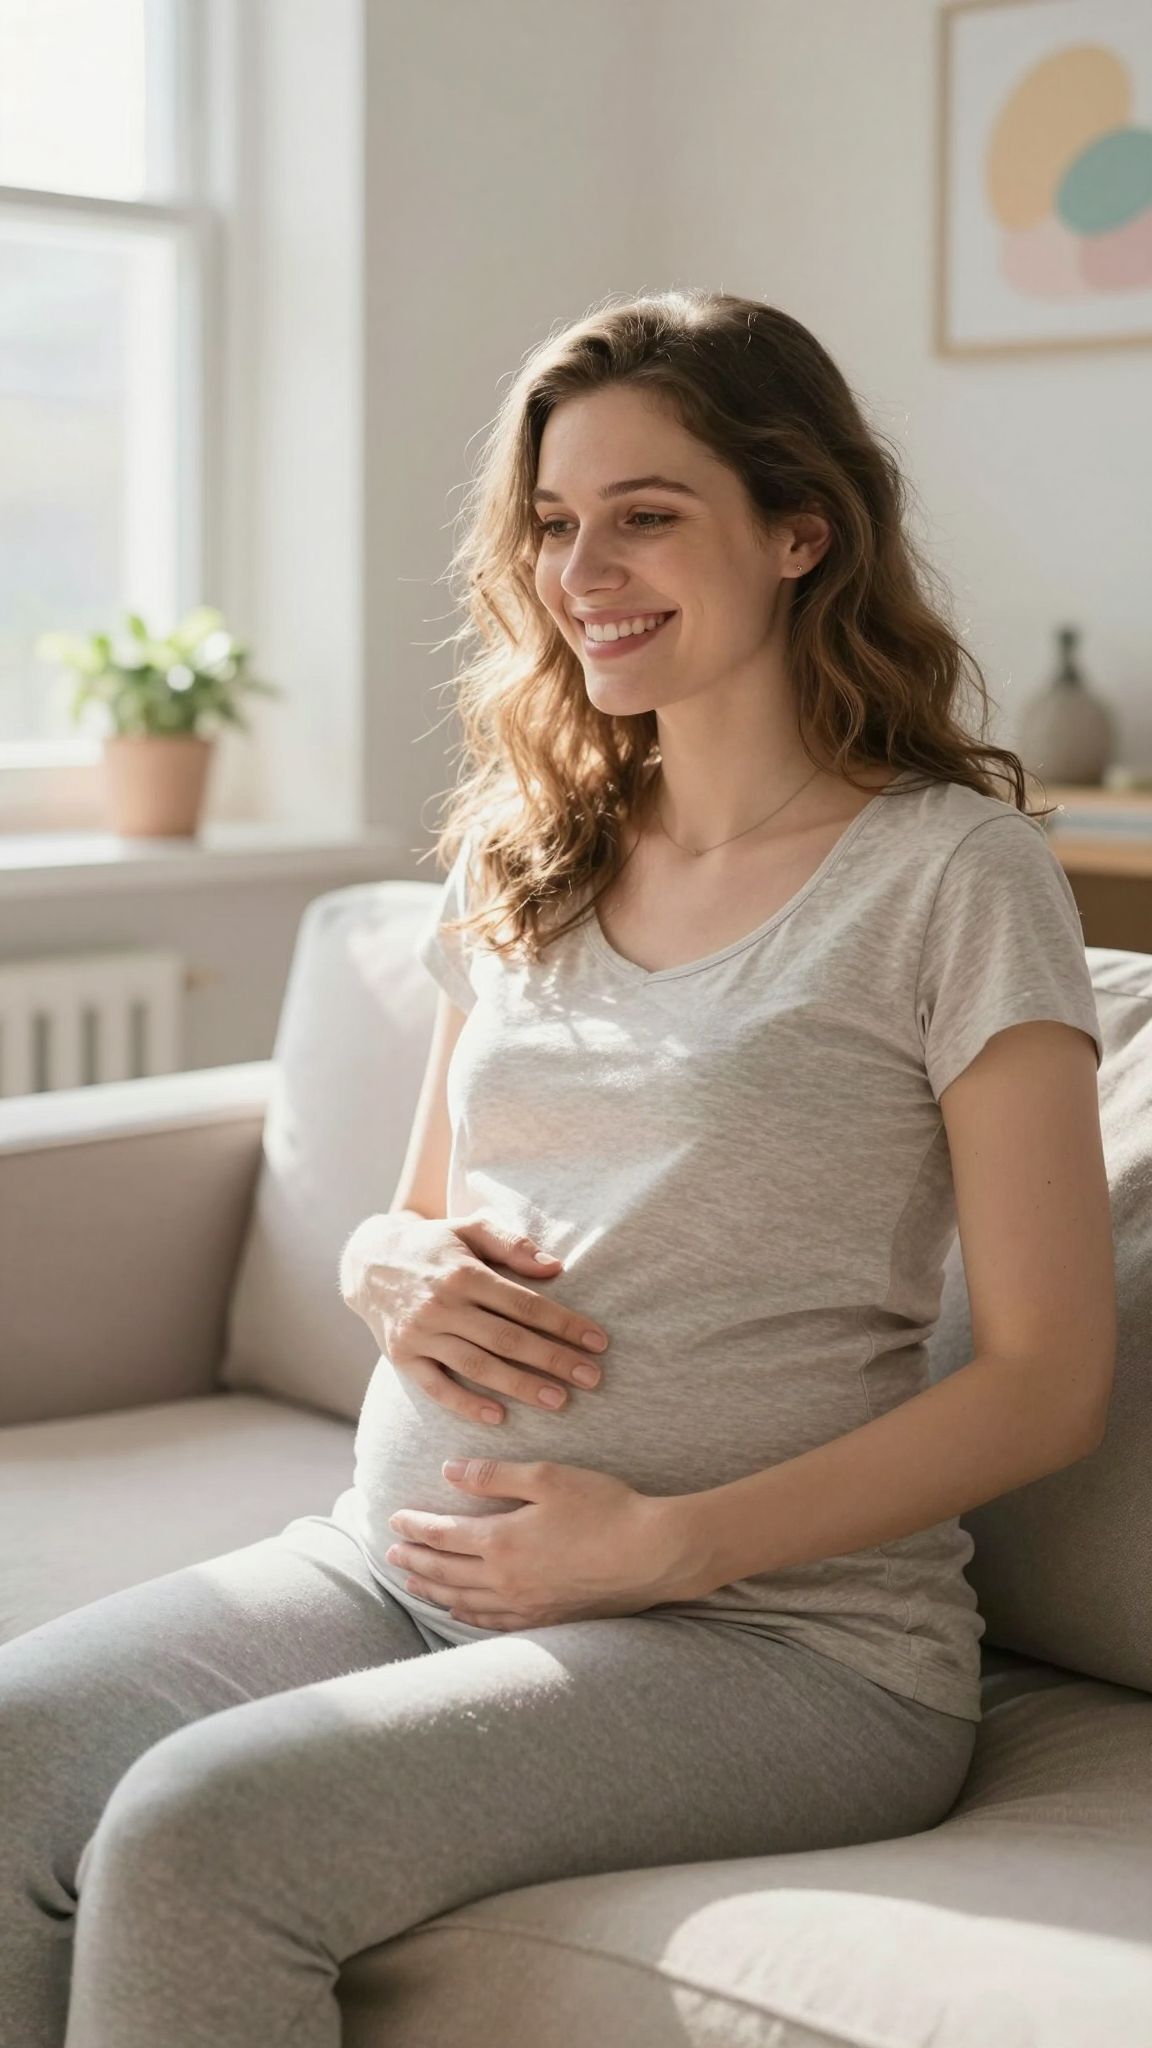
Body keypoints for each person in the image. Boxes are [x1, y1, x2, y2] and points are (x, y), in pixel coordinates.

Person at [0, 290, 1113, 2048]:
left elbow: (1050, 1385)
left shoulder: (953, 878)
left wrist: (663, 1546)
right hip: (392, 1559)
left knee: (204, 1836)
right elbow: (419, 1212)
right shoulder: (527, 848)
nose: (582, 565)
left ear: (800, 529)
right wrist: (381, 1262)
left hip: (778, 1646)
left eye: (647, 514)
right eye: (550, 522)